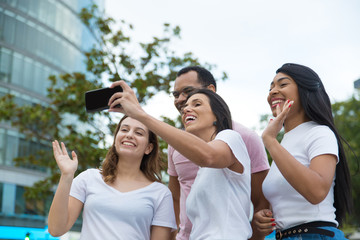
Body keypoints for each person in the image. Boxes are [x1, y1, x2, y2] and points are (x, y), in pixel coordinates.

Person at [108, 81, 253, 239]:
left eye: (197, 104)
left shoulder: (230, 137)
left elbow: (209, 156)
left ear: (217, 115)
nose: (186, 109)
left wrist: (140, 114)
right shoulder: (202, 173)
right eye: (185, 107)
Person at [168, 66, 270, 239]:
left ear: (211, 92)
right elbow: (174, 198)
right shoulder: (174, 145)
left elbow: (262, 201)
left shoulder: (241, 137)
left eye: (188, 92)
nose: (182, 101)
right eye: (176, 95)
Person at [253, 63, 353, 239]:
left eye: (282, 84)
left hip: (314, 234)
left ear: (306, 90)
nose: (273, 92)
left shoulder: (320, 132)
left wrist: (270, 141)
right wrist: (264, 217)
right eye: (271, 88)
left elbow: (316, 192)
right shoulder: (284, 142)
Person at [48, 115, 177, 239]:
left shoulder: (161, 193)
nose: (129, 135)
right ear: (115, 140)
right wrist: (66, 175)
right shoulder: (89, 178)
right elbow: (56, 229)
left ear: (148, 148)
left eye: (139, 133)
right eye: (124, 129)